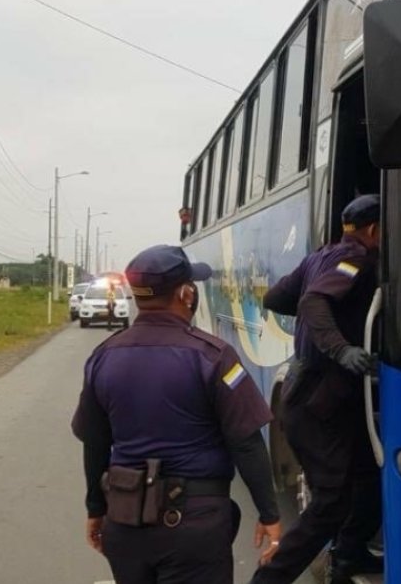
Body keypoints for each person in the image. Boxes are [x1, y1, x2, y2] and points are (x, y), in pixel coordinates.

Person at [71, 245, 282, 584]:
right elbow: (246, 443)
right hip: (193, 528)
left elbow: (94, 444)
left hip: (124, 522)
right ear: (186, 293)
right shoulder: (214, 357)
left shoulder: (103, 356)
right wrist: (269, 513)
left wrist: (96, 510)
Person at [249, 195, 383, 584]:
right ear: (375, 229)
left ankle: (349, 559)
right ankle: (271, 578)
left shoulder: (318, 256)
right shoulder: (355, 260)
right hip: (318, 401)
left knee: (369, 478)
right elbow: (312, 300)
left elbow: (276, 297)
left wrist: (328, 327)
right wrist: (340, 347)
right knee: (331, 503)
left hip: (323, 395)